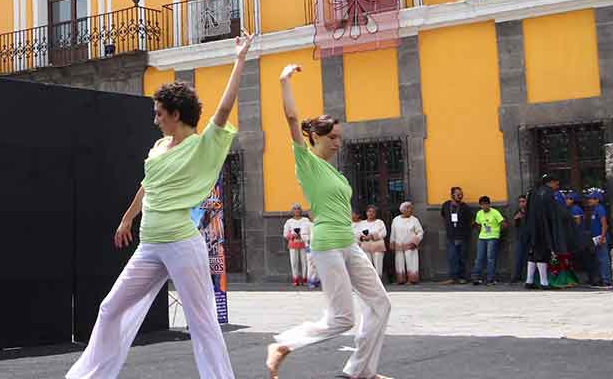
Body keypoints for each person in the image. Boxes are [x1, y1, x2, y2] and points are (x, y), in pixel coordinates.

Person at [65, 33, 253, 379]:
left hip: (182, 243)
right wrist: (126, 221)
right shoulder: (158, 147)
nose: (155, 119)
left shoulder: (200, 146)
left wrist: (239, 58)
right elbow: (147, 187)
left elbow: (224, 109)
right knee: (110, 308)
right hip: (150, 245)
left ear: (176, 114)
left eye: (159, 114)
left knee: (202, 323)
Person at [266, 64, 392, 379]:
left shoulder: (333, 171)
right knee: (342, 319)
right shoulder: (306, 161)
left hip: (348, 244)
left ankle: (361, 370)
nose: (338, 143)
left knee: (380, 304)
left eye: (339, 138)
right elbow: (292, 119)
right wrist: (284, 81)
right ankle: (284, 344)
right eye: (333, 137)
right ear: (317, 137)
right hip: (326, 246)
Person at [524, 174, 562, 290]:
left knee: (533, 254)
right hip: (543, 227)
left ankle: (529, 281)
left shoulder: (533, 192)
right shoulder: (548, 193)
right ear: (550, 182)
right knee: (542, 253)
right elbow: (552, 213)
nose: (557, 186)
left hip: (532, 226)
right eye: (556, 183)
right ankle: (544, 282)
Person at [440, 186, 474, 284]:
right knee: (452, 258)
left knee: (462, 258)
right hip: (451, 237)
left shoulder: (465, 207)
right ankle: (453, 278)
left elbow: (472, 221)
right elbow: (443, 216)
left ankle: (462, 277)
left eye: (461, 194)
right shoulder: (446, 205)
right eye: (458, 194)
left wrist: (465, 231)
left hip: (463, 237)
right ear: (452, 195)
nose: (460, 196)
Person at [471, 196, 506, 285]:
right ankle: (476, 278)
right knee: (479, 258)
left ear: (489, 204)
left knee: (490, 258)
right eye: (482, 205)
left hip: (493, 237)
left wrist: (497, 232)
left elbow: (504, 223)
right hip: (482, 237)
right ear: (480, 205)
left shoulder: (495, 212)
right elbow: (478, 224)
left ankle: (490, 278)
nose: (484, 206)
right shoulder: (479, 213)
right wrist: (481, 231)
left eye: (486, 204)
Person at [584, 187, 612, 288]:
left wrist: (602, 237)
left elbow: (604, 224)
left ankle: (607, 280)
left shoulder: (600, 209)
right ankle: (601, 279)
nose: (589, 200)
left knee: (603, 259)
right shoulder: (594, 209)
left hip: (601, 238)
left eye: (591, 198)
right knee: (598, 259)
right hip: (596, 238)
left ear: (597, 199)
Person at [390, 202, 423, 285]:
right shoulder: (396, 220)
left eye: (411, 208)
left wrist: (415, 242)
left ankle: (412, 280)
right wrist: (392, 244)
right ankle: (400, 280)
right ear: (402, 210)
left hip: (410, 245)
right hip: (399, 245)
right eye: (407, 208)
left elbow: (420, 232)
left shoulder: (414, 220)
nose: (410, 210)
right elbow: (393, 233)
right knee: (399, 262)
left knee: (411, 262)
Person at [354, 205, 388, 281]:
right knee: (367, 264)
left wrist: (372, 236)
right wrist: (362, 237)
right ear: (366, 213)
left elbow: (384, 233)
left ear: (376, 213)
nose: (371, 213)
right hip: (365, 246)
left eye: (373, 212)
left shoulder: (379, 222)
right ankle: (370, 281)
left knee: (378, 264)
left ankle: (378, 280)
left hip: (377, 246)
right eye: (369, 211)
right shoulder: (362, 223)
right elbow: (357, 234)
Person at [284, 204, 313, 286]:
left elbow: (310, 229)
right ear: (292, 211)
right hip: (293, 244)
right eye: (295, 209)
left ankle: (304, 278)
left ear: (301, 210)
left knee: (304, 262)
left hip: (304, 243)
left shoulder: (305, 220)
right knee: (294, 262)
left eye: (298, 209)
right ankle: (295, 278)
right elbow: (285, 234)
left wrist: (304, 234)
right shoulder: (289, 222)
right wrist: (292, 235)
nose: (296, 210)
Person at [509, 195, 529, 284]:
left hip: (529, 238)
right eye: (520, 202)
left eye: (523, 201)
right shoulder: (517, 212)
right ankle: (516, 276)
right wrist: (516, 219)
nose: (521, 203)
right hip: (520, 237)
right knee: (518, 258)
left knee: (528, 258)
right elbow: (514, 225)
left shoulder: (531, 211)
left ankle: (528, 276)